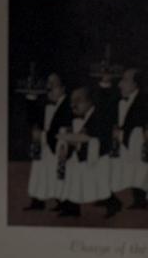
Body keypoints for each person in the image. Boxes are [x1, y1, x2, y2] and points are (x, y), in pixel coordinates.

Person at [56, 86, 108, 218]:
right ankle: (71, 208)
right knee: (72, 178)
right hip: (78, 154)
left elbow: (90, 137)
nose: (73, 104)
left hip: (96, 157)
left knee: (96, 182)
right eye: (72, 101)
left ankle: (113, 203)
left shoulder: (98, 116)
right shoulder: (75, 117)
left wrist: (66, 137)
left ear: (90, 102)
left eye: (78, 100)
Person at [105, 67, 148, 217]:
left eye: (125, 80)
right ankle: (109, 198)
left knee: (139, 170)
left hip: (136, 144)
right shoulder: (118, 101)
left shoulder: (144, 101)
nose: (120, 84)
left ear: (136, 84)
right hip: (122, 143)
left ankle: (140, 200)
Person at [24, 73, 67, 210]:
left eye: (54, 84)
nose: (49, 87)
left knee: (58, 172)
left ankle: (62, 201)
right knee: (39, 171)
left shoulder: (67, 104)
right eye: (48, 84)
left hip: (58, 143)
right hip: (43, 142)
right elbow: (33, 119)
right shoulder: (44, 103)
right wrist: (31, 98)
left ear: (63, 88)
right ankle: (38, 201)